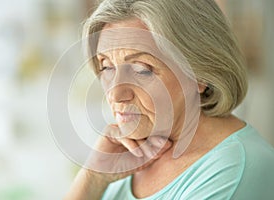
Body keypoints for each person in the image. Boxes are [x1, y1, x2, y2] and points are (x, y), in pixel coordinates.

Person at [64, 0, 274, 199]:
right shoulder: (126, 155)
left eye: (141, 70)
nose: (115, 95)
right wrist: (93, 176)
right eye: (107, 67)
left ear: (200, 75)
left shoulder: (233, 171)